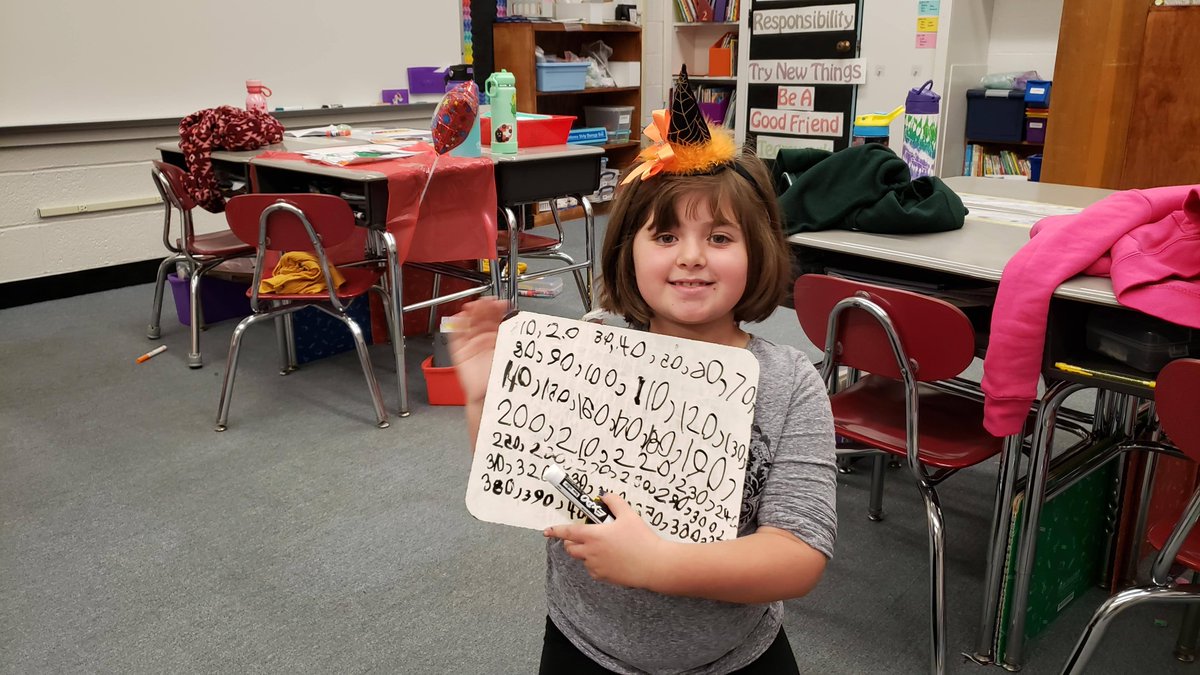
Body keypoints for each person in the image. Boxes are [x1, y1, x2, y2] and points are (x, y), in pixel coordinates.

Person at [450, 67, 837, 675]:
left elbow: (798, 554)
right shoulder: (592, 345)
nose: (690, 256)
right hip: (585, 644)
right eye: (664, 235)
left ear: (757, 249)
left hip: (735, 657)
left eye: (719, 236)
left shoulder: (790, 382)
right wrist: (485, 405)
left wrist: (658, 565)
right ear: (627, 248)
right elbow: (522, 481)